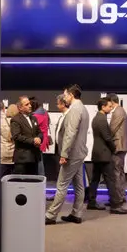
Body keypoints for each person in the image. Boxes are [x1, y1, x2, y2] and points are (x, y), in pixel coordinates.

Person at [45, 84, 89, 225]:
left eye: (65, 95)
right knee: (79, 185)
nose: (64, 98)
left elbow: (71, 133)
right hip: (79, 153)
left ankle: (51, 215)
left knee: (61, 184)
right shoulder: (83, 108)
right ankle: (76, 214)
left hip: (72, 154)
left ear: (71, 95)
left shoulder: (75, 109)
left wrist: (64, 154)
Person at [88, 98, 127, 214]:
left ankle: (91, 202)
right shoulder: (101, 119)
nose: (111, 109)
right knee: (111, 180)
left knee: (95, 179)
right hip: (104, 154)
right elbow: (107, 137)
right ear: (103, 107)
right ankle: (115, 205)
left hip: (97, 153)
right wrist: (113, 148)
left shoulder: (97, 118)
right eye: (109, 106)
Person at [10, 96, 43, 174]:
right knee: (21, 181)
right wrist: (33, 140)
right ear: (20, 108)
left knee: (33, 180)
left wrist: (39, 138)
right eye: (27, 104)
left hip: (34, 157)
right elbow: (16, 136)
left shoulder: (33, 118)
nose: (30, 106)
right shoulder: (15, 120)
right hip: (23, 159)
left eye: (29, 104)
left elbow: (40, 132)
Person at [107, 93, 127, 203]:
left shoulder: (118, 111)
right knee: (119, 172)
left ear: (112, 101)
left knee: (116, 173)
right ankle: (121, 195)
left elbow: (112, 129)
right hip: (121, 146)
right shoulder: (120, 110)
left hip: (118, 146)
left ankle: (117, 198)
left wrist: (105, 138)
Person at [0, 103, 18, 176]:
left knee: (2, 176)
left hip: (3, 151)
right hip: (14, 153)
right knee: (12, 177)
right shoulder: (17, 122)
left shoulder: (0, 121)